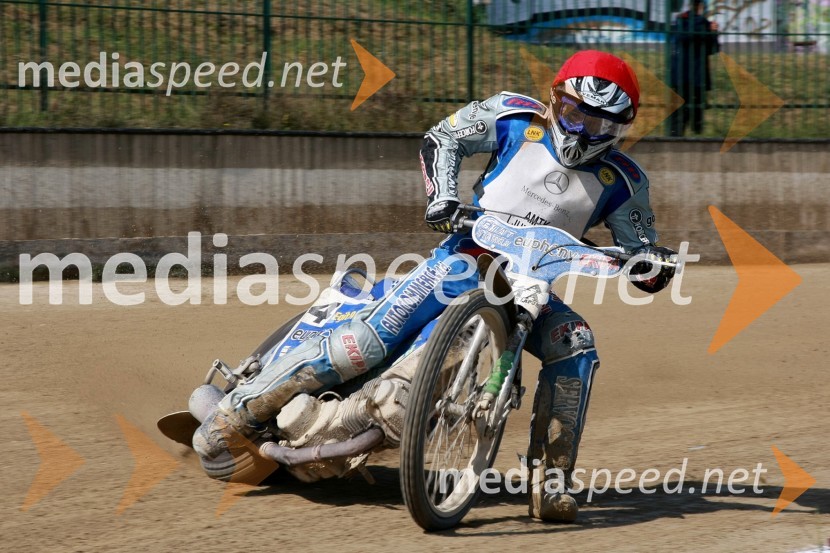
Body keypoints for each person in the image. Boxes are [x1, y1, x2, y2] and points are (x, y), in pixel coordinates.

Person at [193, 50, 678, 523]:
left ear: (620, 129)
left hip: (530, 286)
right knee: (364, 342)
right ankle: (235, 414)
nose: (584, 132)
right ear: (555, 100)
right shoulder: (512, 115)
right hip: (463, 258)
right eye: (576, 114)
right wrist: (442, 197)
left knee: (576, 343)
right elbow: (443, 138)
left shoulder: (625, 180)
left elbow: (640, 247)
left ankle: (551, 482)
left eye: (601, 126)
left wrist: (651, 266)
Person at [669, 0, 720, 136]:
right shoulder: (697, 23)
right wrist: (710, 31)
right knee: (692, 113)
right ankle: (691, 138)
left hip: (685, 76)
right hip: (692, 76)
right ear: (701, 7)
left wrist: (713, 32)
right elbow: (686, 37)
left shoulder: (684, 21)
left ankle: (679, 137)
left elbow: (712, 49)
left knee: (684, 113)